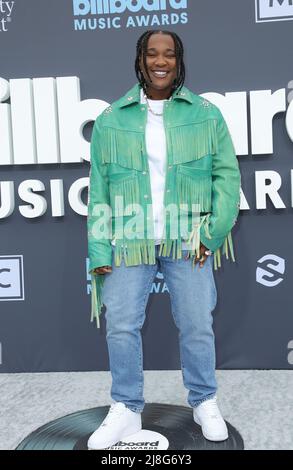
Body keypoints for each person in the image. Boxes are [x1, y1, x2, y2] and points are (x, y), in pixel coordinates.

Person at [86, 29, 241, 450]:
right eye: (152, 53)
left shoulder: (206, 114)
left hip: (188, 237)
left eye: (168, 54)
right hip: (128, 237)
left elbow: (226, 177)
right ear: (139, 59)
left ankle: (205, 400)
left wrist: (213, 232)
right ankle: (125, 408)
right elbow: (99, 187)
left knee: (196, 323)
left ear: (178, 60)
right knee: (120, 325)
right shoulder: (111, 118)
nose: (160, 61)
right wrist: (100, 247)